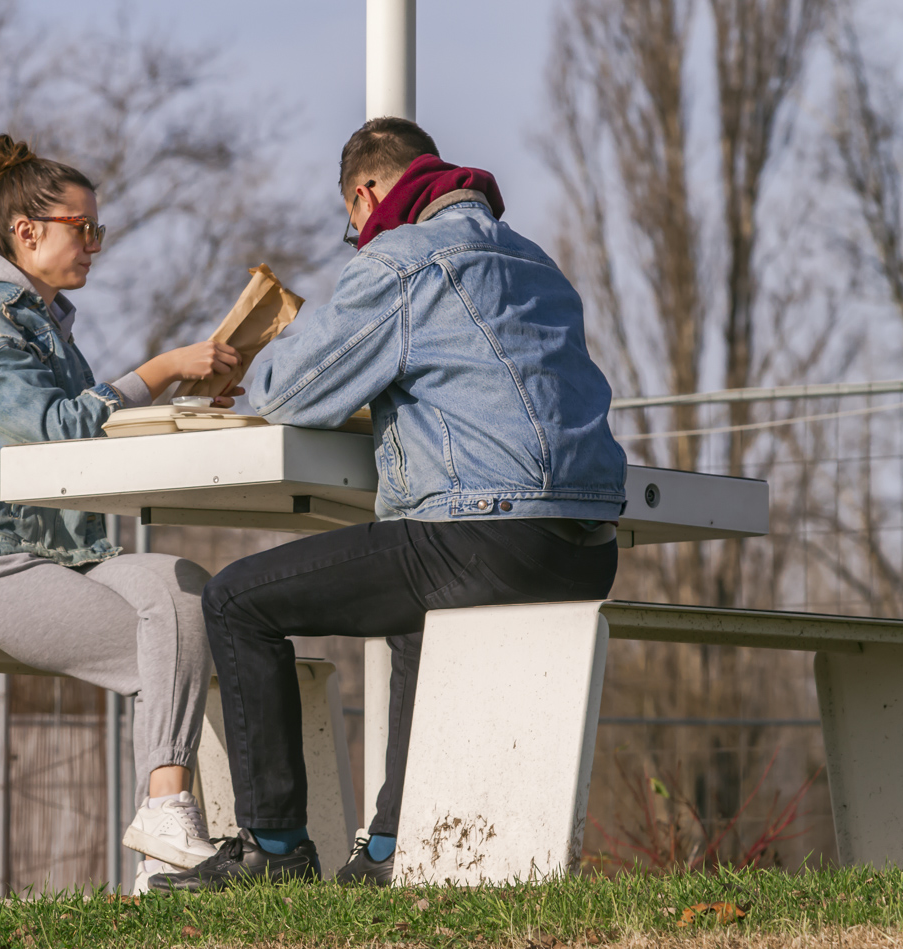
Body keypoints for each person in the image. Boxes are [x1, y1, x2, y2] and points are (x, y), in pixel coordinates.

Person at [149, 117, 627, 893]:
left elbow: (294, 390)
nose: (357, 237)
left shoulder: (403, 258)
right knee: (411, 612)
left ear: (368, 194)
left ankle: (273, 851)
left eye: (352, 222)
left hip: (481, 539)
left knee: (235, 599)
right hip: (584, 548)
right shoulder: (534, 261)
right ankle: (390, 849)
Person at [0, 134, 243, 892]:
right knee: (165, 653)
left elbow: (83, 442)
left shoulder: (43, 322)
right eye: (80, 228)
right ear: (26, 232)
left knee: (189, 588)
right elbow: (58, 430)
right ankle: (169, 838)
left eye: (99, 229)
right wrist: (158, 372)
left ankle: (165, 831)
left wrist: (184, 403)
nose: (94, 243)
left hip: (63, 556)